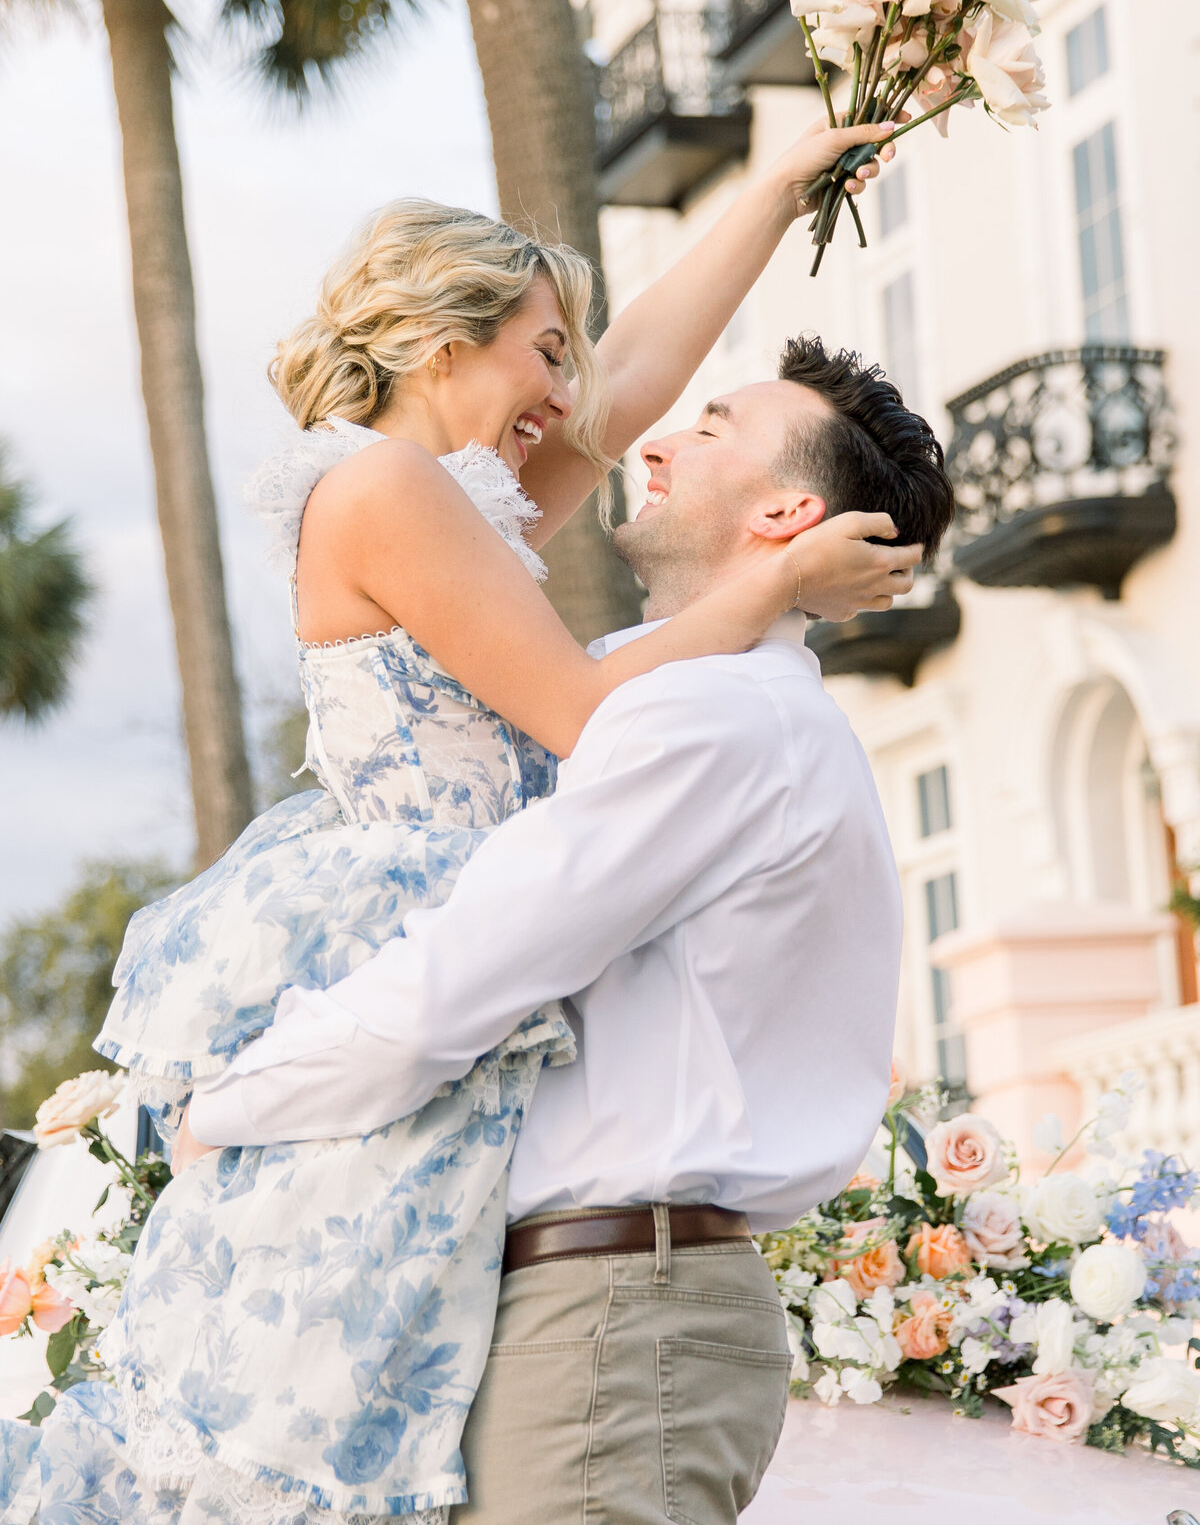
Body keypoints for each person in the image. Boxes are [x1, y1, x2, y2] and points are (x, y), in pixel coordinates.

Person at [0, 123, 913, 1525]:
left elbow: (644, 375)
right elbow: (577, 715)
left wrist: (780, 188)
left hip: (468, 922)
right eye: (546, 350)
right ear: (443, 343)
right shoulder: (384, 489)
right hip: (416, 906)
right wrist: (766, 590)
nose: (571, 391)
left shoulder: (463, 497)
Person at [181, 338, 957, 1525]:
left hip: (613, 1318)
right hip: (597, 1308)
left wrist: (225, 1101)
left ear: (789, 510)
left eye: (711, 427)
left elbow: (465, 975)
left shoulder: (712, 720)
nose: (654, 439)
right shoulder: (680, 697)